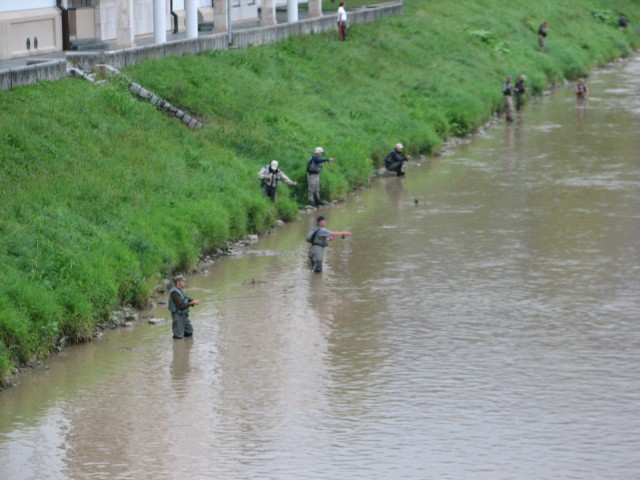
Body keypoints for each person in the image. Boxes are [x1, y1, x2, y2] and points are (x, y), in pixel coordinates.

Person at [168, 274, 200, 339]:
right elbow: (180, 306)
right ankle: (177, 347)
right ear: (178, 282)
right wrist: (191, 303)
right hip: (178, 315)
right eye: (182, 281)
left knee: (189, 332)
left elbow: (186, 298)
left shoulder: (180, 290)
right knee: (178, 336)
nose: (184, 282)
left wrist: (192, 300)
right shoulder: (174, 292)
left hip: (184, 315)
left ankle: (185, 348)